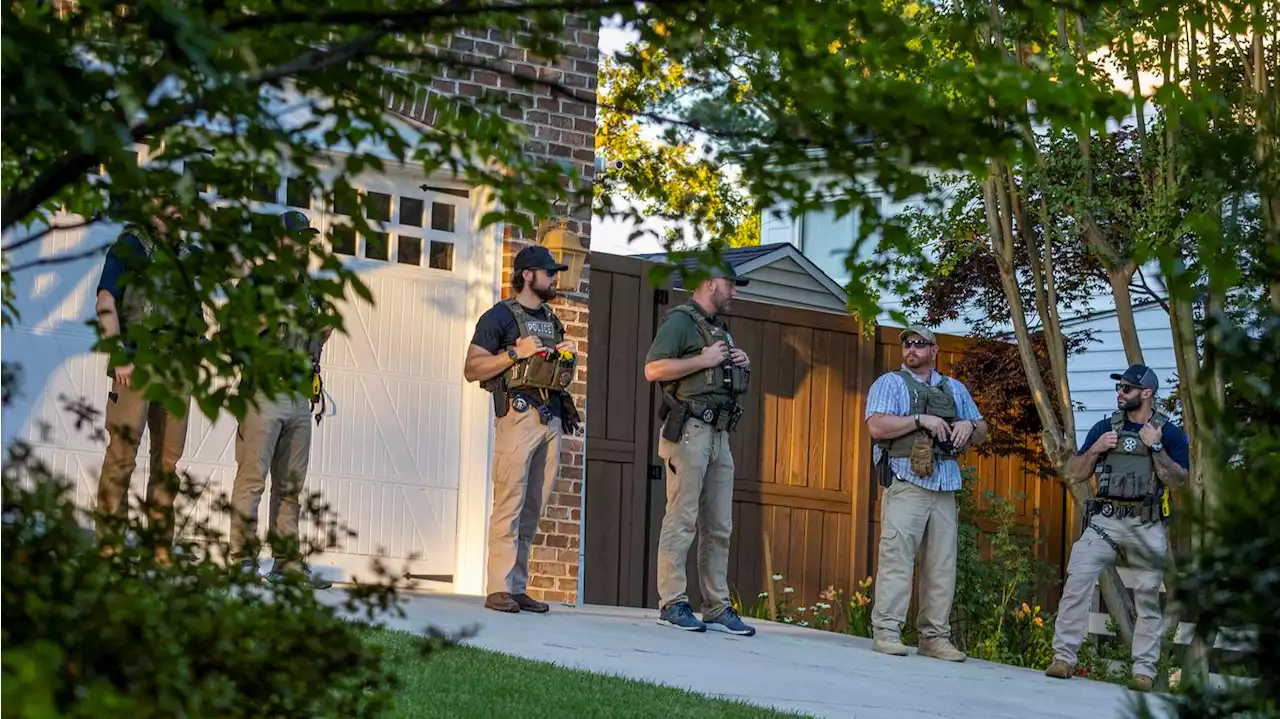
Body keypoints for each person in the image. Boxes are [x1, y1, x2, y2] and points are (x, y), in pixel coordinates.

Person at [1044, 364, 1189, 692]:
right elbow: (1075, 474)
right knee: (1077, 580)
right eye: (1119, 388)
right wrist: (1095, 449)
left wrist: (1155, 447)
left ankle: (1144, 672)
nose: (1119, 393)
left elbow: (1178, 480)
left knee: (1148, 597)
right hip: (1105, 520)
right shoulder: (1104, 428)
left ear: (1146, 393)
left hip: (1146, 522)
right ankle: (1063, 658)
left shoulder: (1170, 432)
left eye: (1127, 389)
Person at [464, 245, 581, 614]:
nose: (555, 279)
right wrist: (517, 353)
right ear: (527, 275)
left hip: (550, 416)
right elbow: (472, 368)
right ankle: (498, 587)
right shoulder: (498, 317)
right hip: (517, 416)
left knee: (533, 507)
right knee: (509, 504)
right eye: (549, 273)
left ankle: (517, 586)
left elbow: (557, 374)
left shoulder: (551, 318)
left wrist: (565, 354)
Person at [643, 263, 755, 636]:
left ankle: (716, 606)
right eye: (731, 285)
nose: (735, 292)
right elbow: (653, 369)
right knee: (682, 517)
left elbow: (720, 374)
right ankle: (672, 602)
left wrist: (741, 363)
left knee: (719, 525)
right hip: (690, 430)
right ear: (710, 284)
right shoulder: (680, 321)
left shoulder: (720, 328)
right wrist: (703, 360)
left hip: (721, 435)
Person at [865, 326, 987, 661]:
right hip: (907, 482)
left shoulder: (954, 388)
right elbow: (876, 426)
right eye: (908, 343)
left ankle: (934, 637)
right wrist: (921, 419)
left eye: (920, 344)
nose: (912, 348)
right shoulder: (890, 383)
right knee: (897, 559)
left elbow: (982, 430)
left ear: (934, 351)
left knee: (942, 566)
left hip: (945, 485)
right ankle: (887, 631)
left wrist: (969, 426)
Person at [229, 210, 333, 588]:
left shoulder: (309, 286)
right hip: (263, 391)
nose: (303, 247)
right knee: (252, 479)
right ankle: (241, 560)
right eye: (296, 239)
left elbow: (317, 336)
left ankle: (287, 563)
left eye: (307, 240)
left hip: (299, 394)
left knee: (291, 486)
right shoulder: (258, 281)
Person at [93, 195, 200, 560]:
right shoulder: (130, 245)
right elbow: (106, 300)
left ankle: (158, 547)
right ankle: (110, 545)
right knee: (122, 456)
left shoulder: (188, 256)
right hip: (135, 367)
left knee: (169, 461)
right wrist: (118, 352)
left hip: (176, 371)